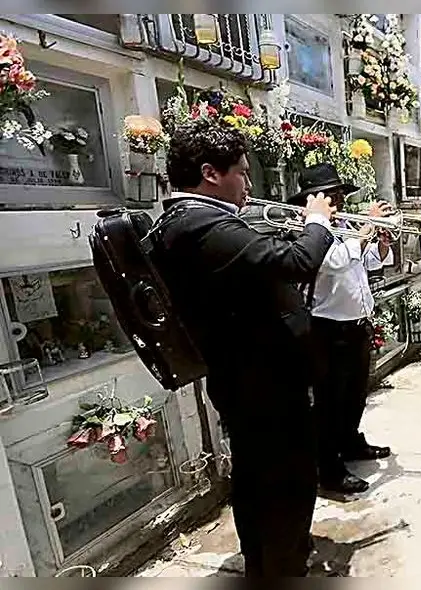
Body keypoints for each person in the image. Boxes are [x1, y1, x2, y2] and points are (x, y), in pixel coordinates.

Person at [151, 119, 336, 576]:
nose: (249, 184)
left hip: (253, 379)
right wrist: (316, 222)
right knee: (283, 484)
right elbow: (296, 261)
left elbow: (256, 264)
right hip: (262, 384)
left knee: (261, 482)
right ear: (211, 173)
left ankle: (274, 558)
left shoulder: (198, 223)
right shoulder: (199, 224)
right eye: (242, 172)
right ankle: (280, 565)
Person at [291, 163, 395, 496]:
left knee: (354, 396)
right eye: (331, 196)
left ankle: (351, 443)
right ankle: (330, 470)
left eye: (339, 195)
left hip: (356, 325)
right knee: (329, 404)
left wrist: (380, 241)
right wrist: (364, 232)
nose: (338, 203)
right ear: (312, 199)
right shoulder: (304, 230)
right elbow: (333, 264)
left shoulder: (346, 226)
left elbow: (369, 265)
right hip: (327, 329)